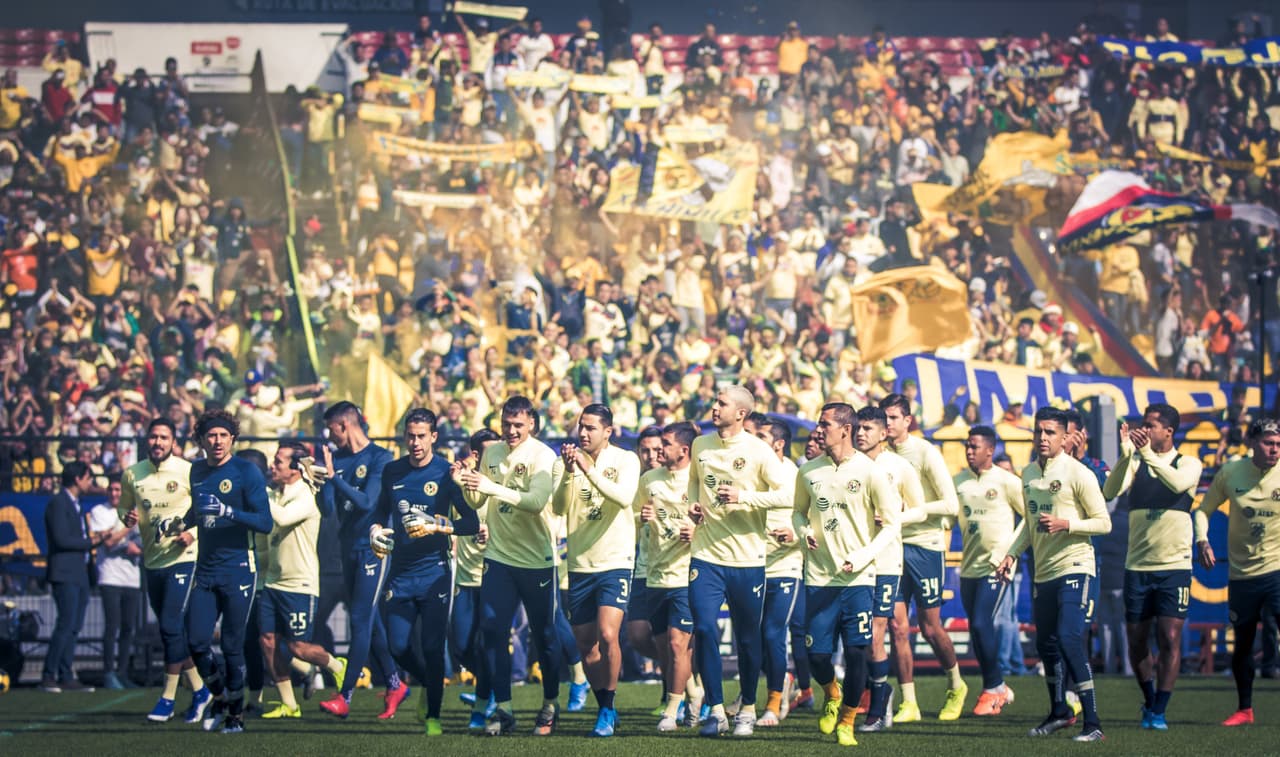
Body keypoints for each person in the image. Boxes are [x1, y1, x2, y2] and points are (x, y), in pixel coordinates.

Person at [787, 402, 900, 747]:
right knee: (818, 656)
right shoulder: (808, 471)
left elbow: (892, 523)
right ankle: (831, 693)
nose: (818, 430)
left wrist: (864, 556)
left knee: (855, 653)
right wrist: (803, 530)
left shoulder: (870, 471)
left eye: (824, 424)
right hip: (819, 579)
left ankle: (848, 720)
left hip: (858, 581)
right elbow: (796, 512)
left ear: (845, 429)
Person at [997, 406, 1110, 742]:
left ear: (1064, 437)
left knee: (1069, 637)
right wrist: (1011, 554)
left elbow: (1104, 523)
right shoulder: (1029, 473)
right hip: (1043, 572)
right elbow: (1029, 523)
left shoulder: (1078, 473)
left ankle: (1093, 722)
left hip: (1076, 565)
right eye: (1039, 431)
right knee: (1046, 644)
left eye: (1050, 433)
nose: (1043, 438)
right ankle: (1059, 711)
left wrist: (1067, 524)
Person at [685, 386, 791, 737]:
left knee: (748, 639)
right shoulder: (701, 445)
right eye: (714, 401)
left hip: (747, 560)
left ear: (741, 413)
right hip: (706, 555)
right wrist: (693, 508)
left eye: (721, 403)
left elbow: (786, 494)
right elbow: (693, 486)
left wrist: (744, 496)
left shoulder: (759, 451)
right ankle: (715, 709)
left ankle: (746, 707)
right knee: (702, 627)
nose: (714, 407)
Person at [162, 408, 274, 734]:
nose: (218, 440)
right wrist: (180, 522)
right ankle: (221, 696)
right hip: (206, 570)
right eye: (211, 435)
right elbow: (199, 510)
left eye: (224, 435)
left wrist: (228, 511)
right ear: (201, 440)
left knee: (231, 646)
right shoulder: (196, 471)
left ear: (233, 439)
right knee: (195, 642)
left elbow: (264, 522)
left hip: (239, 569)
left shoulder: (246, 472)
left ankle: (236, 716)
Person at [455, 396, 562, 736]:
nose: (511, 430)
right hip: (498, 558)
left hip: (537, 560)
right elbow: (477, 500)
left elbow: (535, 502)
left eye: (518, 425)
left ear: (531, 424)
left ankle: (550, 703)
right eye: (507, 423)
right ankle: (503, 708)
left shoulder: (543, 455)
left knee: (544, 636)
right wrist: (468, 482)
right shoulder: (492, 453)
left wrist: (491, 486)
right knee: (492, 630)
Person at [370, 408, 480, 736]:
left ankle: (433, 714)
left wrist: (436, 525)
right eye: (410, 436)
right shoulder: (392, 471)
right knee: (398, 646)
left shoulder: (446, 472)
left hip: (435, 573)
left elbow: (471, 523)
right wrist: (375, 530)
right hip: (400, 574)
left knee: (433, 647)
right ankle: (426, 686)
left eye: (422, 436)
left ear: (434, 437)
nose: (415, 442)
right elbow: (379, 512)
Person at [1103, 403, 1201, 730]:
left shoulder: (1189, 463)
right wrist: (1125, 453)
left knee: (1170, 636)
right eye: (1142, 425)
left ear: (1168, 432)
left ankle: (1159, 709)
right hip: (1138, 566)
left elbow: (1174, 484)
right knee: (1137, 641)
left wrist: (1142, 453)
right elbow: (1110, 490)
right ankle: (1149, 700)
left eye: (1151, 425)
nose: (1144, 430)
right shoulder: (1137, 460)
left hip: (1175, 566)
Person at [316, 402, 409, 719]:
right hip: (347, 549)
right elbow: (329, 509)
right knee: (371, 624)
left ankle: (345, 696)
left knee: (358, 619)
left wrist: (335, 479)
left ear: (344, 425)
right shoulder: (337, 459)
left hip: (374, 549)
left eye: (331, 429)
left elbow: (368, 502)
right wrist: (319, 483)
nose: (330, 436)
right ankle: (395, 684)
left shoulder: (380, 458)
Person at [553, 403, 641, 737]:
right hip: (579, 564)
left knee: (608, 634)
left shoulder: (625, 460)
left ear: (608, 431)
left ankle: (607, 708)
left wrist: (589, 469)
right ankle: (605, 701)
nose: (584, 433)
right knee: (586, 646)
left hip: (615, 561)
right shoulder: (570, 462)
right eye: (581, 426)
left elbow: (623, 497)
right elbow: (560, 507)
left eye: (591, 427)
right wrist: (567, 472)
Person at [881, 393, 967, 721]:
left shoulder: (924, 452)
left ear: (907, 420)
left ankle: (956, 685)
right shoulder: (881, 456)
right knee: (896, 626)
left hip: (926, 545)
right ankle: (909, 702)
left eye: (893, 418)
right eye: (884, 418)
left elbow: (950, 505)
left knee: (930, 628)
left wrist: (909, 512)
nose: (887, 424)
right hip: (892, 546)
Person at [120, 418, 208, 722]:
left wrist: (192, 534)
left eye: (164, 437)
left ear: (173, 442)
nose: (158, 442)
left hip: (184, 558)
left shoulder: (188, 470)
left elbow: (204, 508)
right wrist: (127, 517)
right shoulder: (132, 474)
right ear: (147, 440)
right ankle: (200, 689)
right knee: (172, 631)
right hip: (152, 561)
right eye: (153, 437)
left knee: (171, 625)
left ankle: (167, 698)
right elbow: (123, 508)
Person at [1195, 416, 1280, 727]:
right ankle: (1245, 709)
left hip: (1277, 569)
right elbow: (1203, 511)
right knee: (1242, 644)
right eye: (1269, 444)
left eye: (1279, 445)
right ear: (1252, 444)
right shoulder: (1231, 473)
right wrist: (1202, 540)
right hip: (1242, 575)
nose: (1275, 450)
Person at [258, 442, 348, 719]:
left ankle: (336, 665)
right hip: (273, 581)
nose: (273, 466)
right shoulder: (276, 494)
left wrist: (259, 495)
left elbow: (282, 519)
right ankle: (290, 704)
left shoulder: (305, 496)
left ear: (296, 470)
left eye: (279, 462)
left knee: (298, 648)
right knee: (268, 642)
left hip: (300, 584)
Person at [852, 405, 925, 732]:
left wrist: (894, 517)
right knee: (856, 639)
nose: (860, 433)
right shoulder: (848, 465)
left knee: (876, 635)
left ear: (884, 433)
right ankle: (879, 692)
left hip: (885, 561)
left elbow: (920, 510)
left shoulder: (900, 467)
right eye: (858, 427)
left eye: (868, 428)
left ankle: (877, 710)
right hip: (852, 561)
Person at [954, 426, 1024, 716]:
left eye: (974, 446)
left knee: (983, 623)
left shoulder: (1007, 481)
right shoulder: (958, 481)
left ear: (989, 450)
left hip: (997, 566)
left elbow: (1028, 519)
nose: (969, 451)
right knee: (976, 628)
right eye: (967, 446)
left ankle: (995, 687)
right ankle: (996, 687)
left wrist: (1011, 554)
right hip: (969, 566)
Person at [639, 422, 701, 731]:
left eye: (665, 443)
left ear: (684, 450)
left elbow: (719, 520)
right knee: (666, 648)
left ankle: (671, 711)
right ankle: (694, 693)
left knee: (678, 645)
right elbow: (634, 516)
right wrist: (641, 517)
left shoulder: (698, 480)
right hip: (655, 576)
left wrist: (699, 531)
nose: (659, 448)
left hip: (686, 576)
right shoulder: (649, 480)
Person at [748, 414, 802, 726]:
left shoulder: (796, 475)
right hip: (752, 564)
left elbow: (816, 519)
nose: (756, 444)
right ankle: (754, 695)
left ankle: (772, 704)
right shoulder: (753, 473)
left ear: (779, 444)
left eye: (762, 439)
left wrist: (796, 534)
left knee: (772, 633)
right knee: (752, 637)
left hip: (786, 565)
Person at [41, 461, 104, 693]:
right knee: (66, 623)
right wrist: (93, 542)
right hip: (65, 572)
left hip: (79, 573)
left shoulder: (75, 504)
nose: (91, 483)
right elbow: (61, 539)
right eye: (89, 478)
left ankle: (66, 674)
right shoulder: (58, 503)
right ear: (78, 479)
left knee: (75, 626)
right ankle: (49, 674)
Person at [452, 429, 500, 727]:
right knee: (460, 646)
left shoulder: (503, 482)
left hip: (496, 575)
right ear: (473, 455)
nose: (490, 458)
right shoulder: (459, 482)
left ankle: (485, 701)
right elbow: (448, 519)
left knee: (488, 643)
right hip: (465, 578)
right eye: (484, 453)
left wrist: (489, 531)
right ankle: (490, 687)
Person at [90, 477, 143, 690]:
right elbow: (109, 542)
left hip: (131, 577)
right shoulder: (99, 512)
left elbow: (146, 543)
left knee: (128, 628)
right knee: (112, 626)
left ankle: (122, 672)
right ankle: (108, 672)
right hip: (110, 576)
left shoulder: (135, 511)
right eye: (111, 489)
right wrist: (128, 528)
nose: (114, 494)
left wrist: (137, 550)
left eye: (118, 490)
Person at [627, 426, 666, 716]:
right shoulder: (633, 482)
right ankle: (681, 672)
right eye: (645, 450)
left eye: (657, 449)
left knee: (678, 640)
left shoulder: (681, 478)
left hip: (676, 570)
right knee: (638, 636)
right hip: (642, 570)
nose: (652, 456)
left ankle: (676, 693)